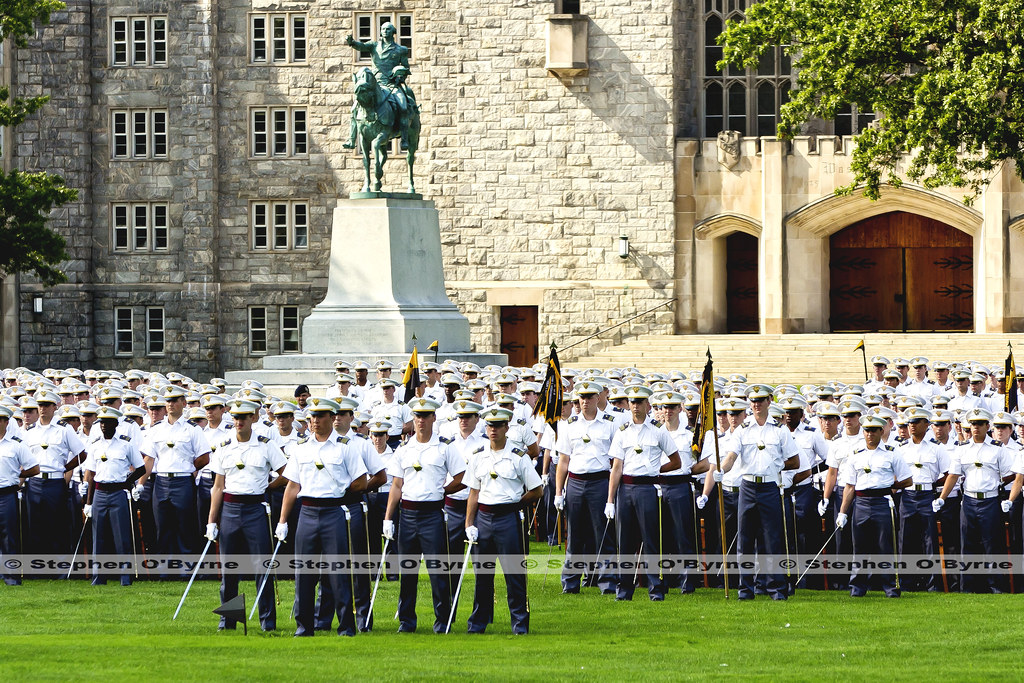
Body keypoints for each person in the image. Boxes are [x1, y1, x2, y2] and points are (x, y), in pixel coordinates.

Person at [276, 397, 369, 636]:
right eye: (312, 417)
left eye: (320, 416)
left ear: (331, 417)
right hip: (307, 511)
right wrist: (283, 521)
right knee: (304, 573)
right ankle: (304, 626)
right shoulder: (301, 449)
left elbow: (360, 480)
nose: (315, 421)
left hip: (334, 511)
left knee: (339, 572)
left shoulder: (345, 447)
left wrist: (341, 493)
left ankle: (346, 625)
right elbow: (292, 486)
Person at [383, 397, 465, 633]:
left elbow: (461, 477)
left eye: (425, 416)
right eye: (417, 416)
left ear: (433, 418)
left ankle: (443, 621)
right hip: (407, 513)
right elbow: (397, 485)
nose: (420, 421)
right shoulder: (404, 449)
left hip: (432, 513)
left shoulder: (444, 447)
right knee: (407, 571)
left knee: (438, 571)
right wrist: (388, 518)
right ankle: (407, 621)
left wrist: (443, 491)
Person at [205, 399, 287, 631]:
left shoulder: (266, 445)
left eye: (244, 417)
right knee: (230, 569)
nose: (239, 421)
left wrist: (269, 487)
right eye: (236, 417)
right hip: (230, 509)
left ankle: (267, 621)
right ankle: (228, 619)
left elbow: (286, 473)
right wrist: (212, 520)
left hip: (256, 509)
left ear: (253, 418)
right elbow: (218, 486)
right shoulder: (223, 446)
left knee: (263, 567)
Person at [464, 407, 543, 634]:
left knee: (514, 573)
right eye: (490, 425)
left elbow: (537, 490)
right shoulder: (478, 455)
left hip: (508, 518)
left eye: (498, 425)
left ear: (507, 427)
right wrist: (469, 523)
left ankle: (519, 622)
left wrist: (516, 504)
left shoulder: (518, 456)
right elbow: (474, 492)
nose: (493, 430)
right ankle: (478, 622)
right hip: (484, 518)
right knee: (482, 574)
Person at [718, 384, 800, 600]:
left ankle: (776, 588)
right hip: (747, 486)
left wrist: (777, 466)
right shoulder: (742, 429)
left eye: (760, 400)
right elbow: (731, 456)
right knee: (744, 541)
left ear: (769, 401)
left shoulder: (780, 430)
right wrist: (721, 470)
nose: (756, 404)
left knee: (773, 540)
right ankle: (746, 588)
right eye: (753, 401)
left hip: (770, 487)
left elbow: (795, 461)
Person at [607, 385, 681, 601]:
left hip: (648, 488)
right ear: (629, 405)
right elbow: (616, 467)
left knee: (651, 540)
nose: (636, 406)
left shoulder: (658, 430)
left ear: (648, 405)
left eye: (640, 402)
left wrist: (656, 471)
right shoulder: (622, 432)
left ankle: (655, 588)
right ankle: (624, 589)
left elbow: (676, 461)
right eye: (633, 402)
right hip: (626, 488)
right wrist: (610, 500)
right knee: (626, 541)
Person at [935, 408, 1015, 593]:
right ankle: (968, 586)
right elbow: (953, 475)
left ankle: (995, 585)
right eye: (973, 424)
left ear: (988, 426)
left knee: (991, 545)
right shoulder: (962, 449)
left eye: (980, 424)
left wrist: (999, 485)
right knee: (967, 545)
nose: (976, 427)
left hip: (990, 500)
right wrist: (941, 498)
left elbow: (1010, 474)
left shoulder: (997, 448)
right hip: (969, 501)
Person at [836, 413, 913, 597]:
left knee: (885, 546)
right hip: (861, 503)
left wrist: (889, 486)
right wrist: (842, 512)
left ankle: (890, 586)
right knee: (860, 548)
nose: (869, 434)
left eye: (873, 430)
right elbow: (849, 486)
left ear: (881, 431)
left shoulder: (892, 453)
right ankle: (857, 587)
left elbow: (907, 480)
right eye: (866, 430)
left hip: (882, 502)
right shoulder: (855, 455)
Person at [552, 381, 619, 594]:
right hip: (576, 482)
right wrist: (558, 492)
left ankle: (607, 581)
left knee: (603, 533)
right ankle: (570, 582)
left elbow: (615, 461)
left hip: (600, 481)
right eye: (581, 397)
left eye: (589, 397)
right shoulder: (569, 425)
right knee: (574, 534)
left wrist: (610, 496)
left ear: (598, 398)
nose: (585, 401)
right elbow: (563, 460)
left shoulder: (609, 423)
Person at [137, 386, 211, 562]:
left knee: (185, 526)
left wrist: (188, 467)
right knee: (162, 526)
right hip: (161, 481)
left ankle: (186, 567)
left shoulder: (192, 429)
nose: (171, 404)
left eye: (175, 400)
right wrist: (140, 483)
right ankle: (164, 568)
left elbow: (204, 457)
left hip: (183, 481)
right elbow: (149, 459)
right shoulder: (156, 429)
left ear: (183, 403)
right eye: (168, 401)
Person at [82, 406, 146, 586]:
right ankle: (98, 577)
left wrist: (127, 482)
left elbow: (140, 467)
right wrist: (88, 503)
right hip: (100, 494)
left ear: (116, 424)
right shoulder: (95, 445)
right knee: (98, 538)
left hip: (118, 492)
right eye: (101, 422)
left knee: (122, 537)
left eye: (108, 422)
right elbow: (91, 474)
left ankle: (125, 577)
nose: (103, 425)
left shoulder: (126, 444)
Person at [22, 390, 86, 556]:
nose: (43, 409)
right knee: (34, 525)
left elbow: (81, 454)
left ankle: (59, 567)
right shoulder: (30, 432)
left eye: (46, 405)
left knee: (56, 525)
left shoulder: (64, 429)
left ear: (54, 406)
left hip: (55, 481)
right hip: (34, 482)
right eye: (40, 405)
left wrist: (64, 468)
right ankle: (37, 568)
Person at [895, 407, 949, 591]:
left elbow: (949, 473)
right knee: (905, 541)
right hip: (908, 495)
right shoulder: (900, 448)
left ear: (926, 424)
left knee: (930, 541)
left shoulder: (936, 448)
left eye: (916, 422)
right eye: (909, 422)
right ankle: (907, 583)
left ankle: (932, 584)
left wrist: (934, 484)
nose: (911, 426)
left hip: (927, 494)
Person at [344, 22, 414, 148]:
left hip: (392, 85)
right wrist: (352, 42)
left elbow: (405, 67)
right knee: (354, 108)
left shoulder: (400, 50)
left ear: (393, 32)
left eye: (388, 29)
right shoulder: (374, 46)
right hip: (375, 86)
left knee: (403, 106)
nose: (385, 31)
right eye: (383, 29)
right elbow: (361, 46)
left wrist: (400, 76)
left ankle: (404, 139)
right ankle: (351, 139)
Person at [0, 405, 39, 586]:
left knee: (9, 536)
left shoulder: (16, 444)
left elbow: (34, 468)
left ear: (6, 422)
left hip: (7, 493)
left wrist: (17, 474)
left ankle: (11, 577)